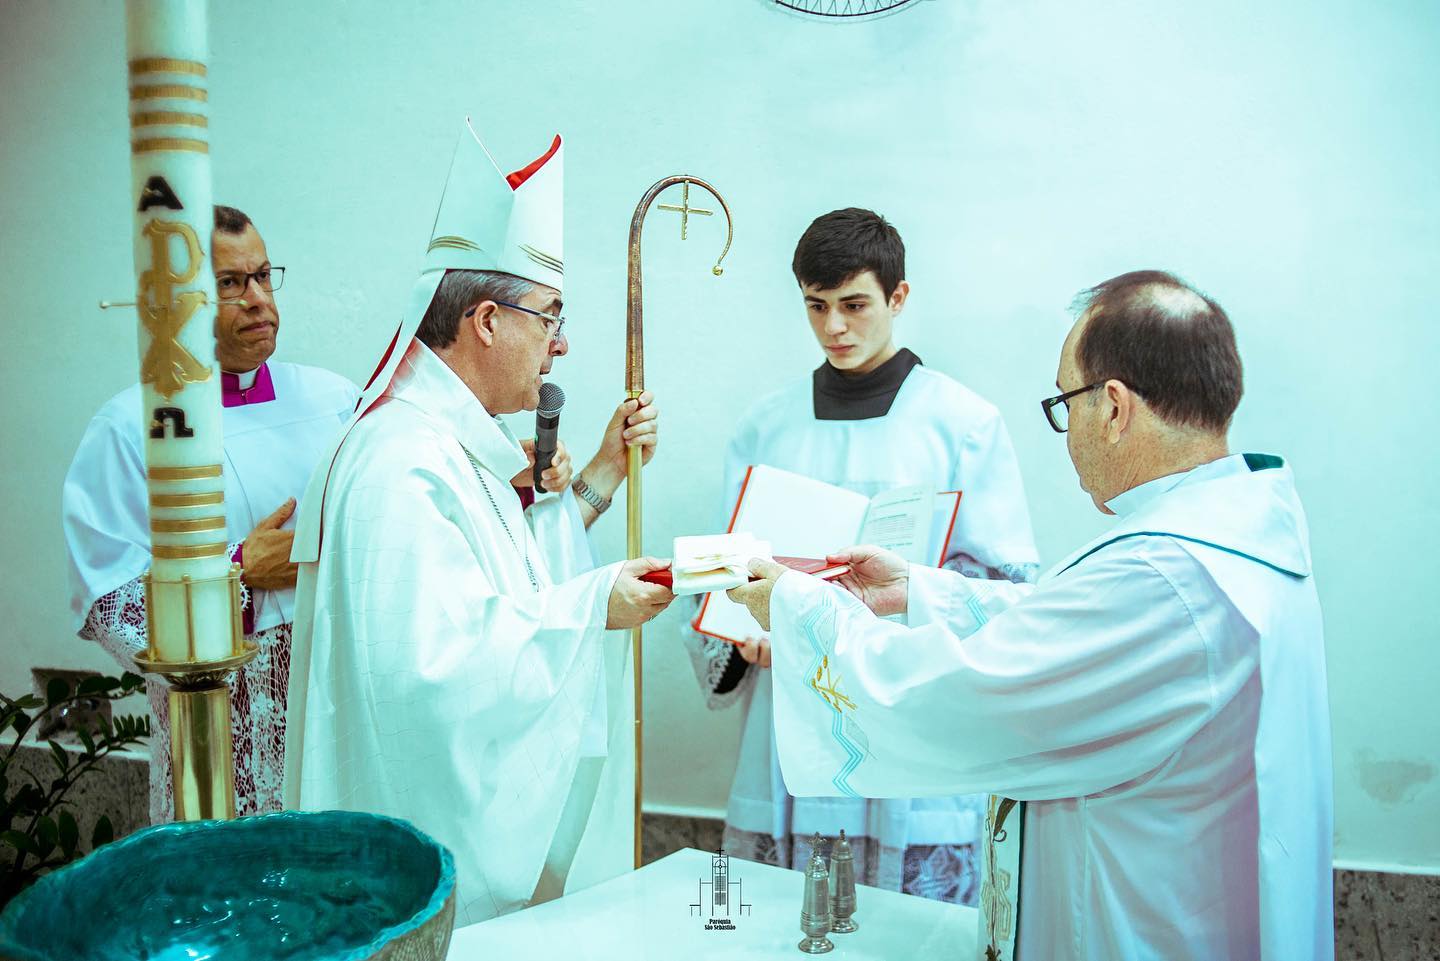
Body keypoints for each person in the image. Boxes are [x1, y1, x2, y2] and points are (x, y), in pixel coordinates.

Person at [730, 270, 1333, 960]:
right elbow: (1064, 630)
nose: (1066, 430)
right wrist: (918, 592)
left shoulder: (1166, 572)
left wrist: (795, 605)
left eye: (1065, 402)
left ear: (1113, 407)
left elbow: (970, 692)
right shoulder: (1231, 535)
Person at [284, 122, 673, 927]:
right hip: (422, 870)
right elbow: (431, 672)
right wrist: (592, 606)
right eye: (550, 317)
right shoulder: (401, 464)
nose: (561, 345)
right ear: (487, 319)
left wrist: (601, 477)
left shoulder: (453, 450)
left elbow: (515, 582)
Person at [686, 207, 1037, 903]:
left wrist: (894, 610)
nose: (834, 328)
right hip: (791, 700)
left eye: (854, 305)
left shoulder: (962, 423)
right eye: (816, 306)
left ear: (897, 297)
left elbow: (1000, 588)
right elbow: (725, 569)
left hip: (906, 701)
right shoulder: (767, 426)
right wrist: (746, 630)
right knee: (789, 923)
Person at [61, 206, 359, 822]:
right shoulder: (131, 427)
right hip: (219, 725)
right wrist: (238, 570)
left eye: (263, 276)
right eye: (230, 283)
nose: (258, 299)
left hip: (327, 708)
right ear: (181, 302)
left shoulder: (334, 400)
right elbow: (108, 602)